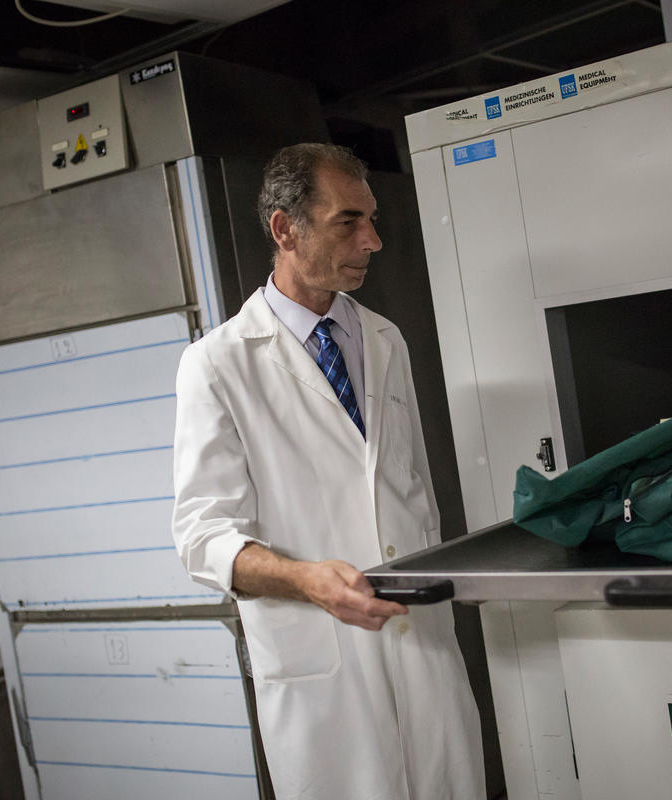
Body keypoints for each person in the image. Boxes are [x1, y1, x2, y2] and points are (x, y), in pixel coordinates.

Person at [171, 143, 486, 800]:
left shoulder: (385, 339)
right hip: (323, 673)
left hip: (422, 648)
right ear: (285, 229)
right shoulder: (218, 364)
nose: (372, 240)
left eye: (371, 220)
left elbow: (413, 493)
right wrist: (307, 581)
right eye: (348, 221)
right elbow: (202, 539)